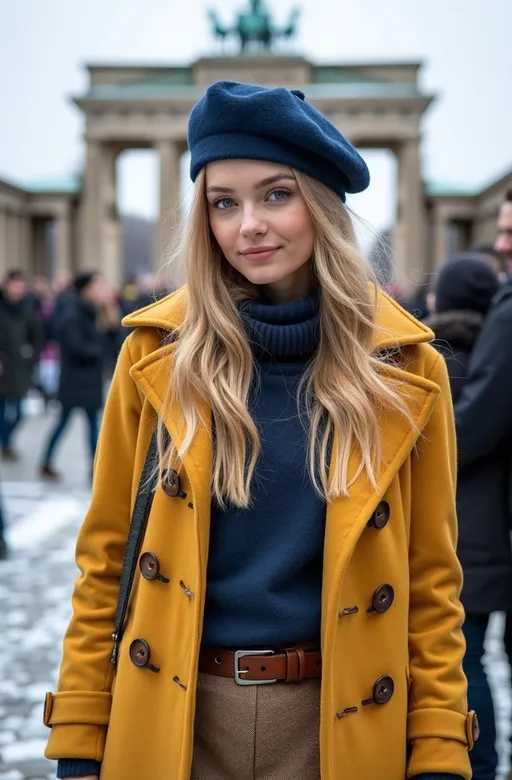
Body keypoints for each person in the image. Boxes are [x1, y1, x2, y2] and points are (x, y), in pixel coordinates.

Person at [44, 81, 476, 780]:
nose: (249, 224)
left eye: (277, 194)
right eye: (224, 202)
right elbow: (104, 565)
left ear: (322, 205)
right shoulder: (153, 356)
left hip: (341, 726)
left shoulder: (407, 367)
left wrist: (436, 751)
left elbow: (430, 585)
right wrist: (80, 738)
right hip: (174, 724)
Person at [425, 255, 501, 780]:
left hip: (462, 537)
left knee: (464, 660)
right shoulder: (496, 361)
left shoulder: (435, 365)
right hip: (497, 535)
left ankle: (482, 760)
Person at [453, 189, 512, 780]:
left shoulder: (510, 310)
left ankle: (482, 762)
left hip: (477, 537)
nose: (502, 247)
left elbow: (475, 425)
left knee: (465, 658)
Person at [39, 272, 106, 481]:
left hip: (88, 380)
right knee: (64, 422)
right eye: (96, 286)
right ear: (85, 288)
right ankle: (47, 462)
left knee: (92, 424)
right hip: (75, 380)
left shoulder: (93, 311)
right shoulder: (71, 312)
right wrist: (100, 349)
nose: (100, 290)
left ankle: (96, 468)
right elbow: (76, 346)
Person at [0, 269, 43, 459]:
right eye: (15, 285)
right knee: (1, 409)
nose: (18, 289)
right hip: (2, 365)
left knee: (19, 411)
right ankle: (6, 444)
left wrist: (32, 356)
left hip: (20, 365)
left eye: (21, 285)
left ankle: (6, 439)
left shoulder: (27, 307)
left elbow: (37, 334)